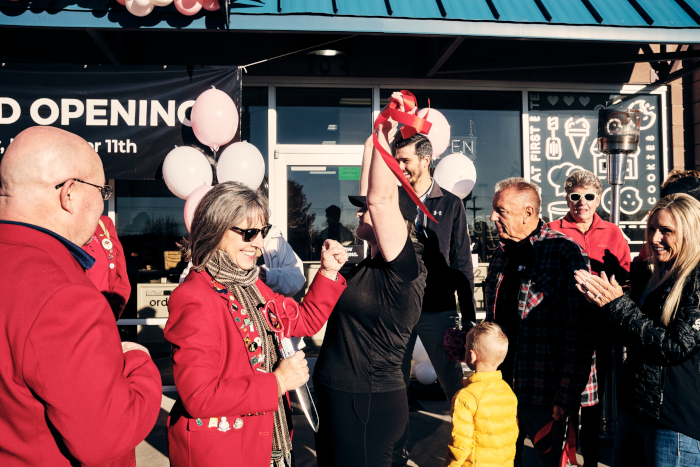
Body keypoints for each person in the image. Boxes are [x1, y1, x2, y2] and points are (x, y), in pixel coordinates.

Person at [0, 126, 162, 467]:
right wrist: (138, 362)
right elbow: (106, 439)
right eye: (102, 190)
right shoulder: (64, 294)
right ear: (69, 193)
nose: (103, 203)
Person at [165, 182, 348, 467]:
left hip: (264, 443)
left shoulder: (251, 285)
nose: (260, 243)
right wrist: (278, 382)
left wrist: (328, 272)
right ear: (216, 228)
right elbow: (199, 397)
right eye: (249, 233)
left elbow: (303, 321)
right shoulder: (194, 297)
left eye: (262, 231)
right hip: (224, 453)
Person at [313, 92, 428, 467]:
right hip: (338, 396)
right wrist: (377, 132)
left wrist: (388, 133)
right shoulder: (365, 262)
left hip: (366, 402)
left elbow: (379, 200)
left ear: (397, 219)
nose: (359, 212)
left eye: (366, 209)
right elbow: (371, 187)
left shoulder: (405, 269)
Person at [575, 193, 700, 466]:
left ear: (690, 232)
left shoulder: (695, 279)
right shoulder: (655, 274)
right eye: (651, 229)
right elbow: (633, 335)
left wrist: (618, 306)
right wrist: (604, 303)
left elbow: (676, 347)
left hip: (673, 421)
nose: (654, 238)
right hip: (635, 411)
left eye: (666, 231)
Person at [485, 177, 595, 467]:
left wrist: (567, 394)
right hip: (500, 386)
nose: (493, 217)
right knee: (502, 460)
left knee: (551, 462)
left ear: (528, 212)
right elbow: (494, 318)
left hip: (543, 389)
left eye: (500, 211)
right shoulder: (500, 255)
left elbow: (580, 330)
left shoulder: (564, 251)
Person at [393, 120, 476, 467]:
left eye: (405, 160)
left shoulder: (451, 204)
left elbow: (461, 261)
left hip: (439, 310)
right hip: (398, 311)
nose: (400, 166)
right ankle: (395, 456)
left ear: (425, 160)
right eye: (397, 160)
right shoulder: (393, 199)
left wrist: (468, 316)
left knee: (453, 386)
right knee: (394, 388)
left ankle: (465, 454)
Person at [547, 169, 631, 466]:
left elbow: (625, 277)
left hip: (600, 329)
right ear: (566, 198)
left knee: (594, 400)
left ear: (598, 199)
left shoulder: (613, 232)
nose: (581, 202)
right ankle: (558, 455)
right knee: (561, 396)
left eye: (589, 196)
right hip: (562, 329)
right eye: (575, 196)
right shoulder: (552, 230)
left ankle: (591, 458)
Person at [446, 322, 518, 467]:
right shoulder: (508, 391)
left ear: (472, 355)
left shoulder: (465, 397)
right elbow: (512, 432)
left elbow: (461, 443)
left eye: (465, 349)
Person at [83, 214, 131, 319]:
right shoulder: (57, 223)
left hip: (102, 315)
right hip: (74, 315)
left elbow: (120, 273)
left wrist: (111, 314)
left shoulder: (103, 223)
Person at [258, 224, 306, 297]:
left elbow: (297, 278)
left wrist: (270, 277)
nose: (259, 244)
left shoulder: (274, 237)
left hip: (270, 302)